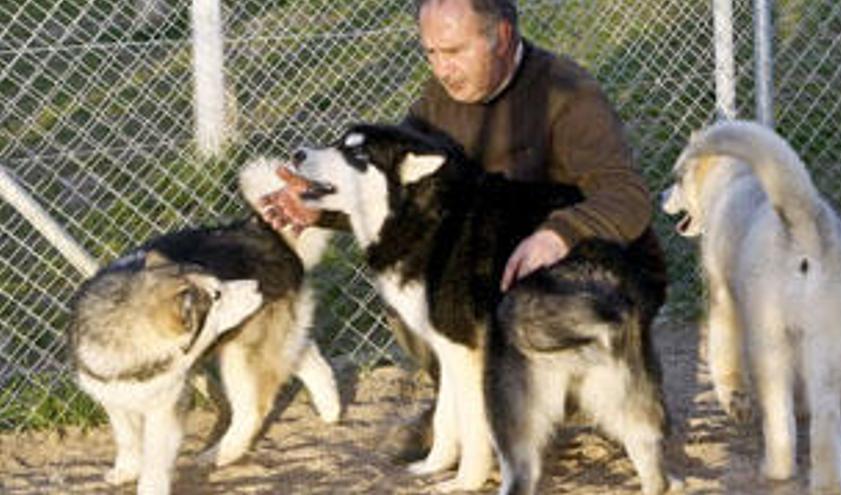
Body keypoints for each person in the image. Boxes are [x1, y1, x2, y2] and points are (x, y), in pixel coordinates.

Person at [261, 0, 666, 461]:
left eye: (453, 51)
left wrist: (560, 234)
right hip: (497, 269)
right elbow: (395, 190)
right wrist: (321, 207)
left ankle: (588, 400)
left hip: (587, 273)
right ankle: (468, 407)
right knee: (419, 286)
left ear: (503, 37)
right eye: (430, 53)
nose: (442, 69)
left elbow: (628, 195)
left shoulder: (566, 92)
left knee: (506, 309)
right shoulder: (440, 99)